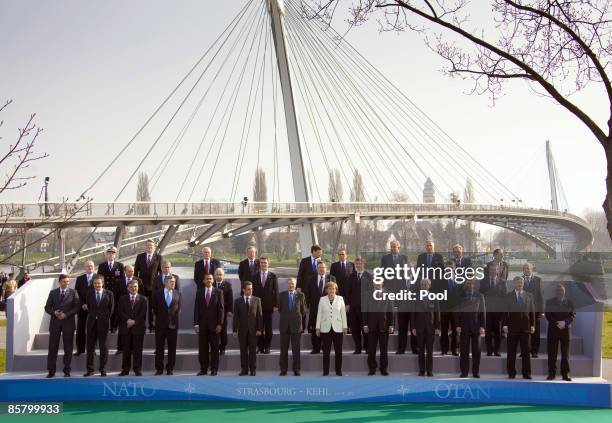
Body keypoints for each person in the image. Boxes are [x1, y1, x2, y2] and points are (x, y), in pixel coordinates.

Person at [381, 241, 415, 355]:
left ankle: (415, 348)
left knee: (413, 327)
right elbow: (382, 272)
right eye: (391, 247)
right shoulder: (385, 258)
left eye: (394, 247)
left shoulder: (413, 279)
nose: (393, 248)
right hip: (393, 290)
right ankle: (401, 348)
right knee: (402, 325)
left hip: (410, 303)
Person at [44, 274, 80, 378]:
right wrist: (54, 312)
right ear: (59, 282)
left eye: (68, 282)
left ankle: (67, 371)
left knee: (68, 348)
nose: (66, 283)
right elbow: (47, 307)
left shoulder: (74, 292)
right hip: (55, 323)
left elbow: (77, 307)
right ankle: (51, 371)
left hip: (68, 323)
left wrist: (66, 315)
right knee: (52, 348)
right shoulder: (53, 292)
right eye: (64, 281)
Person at [503, 276, 536, 379]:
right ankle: (511, 373)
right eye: (518, 282)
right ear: (514, 283)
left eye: (521, 282)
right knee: (511, 352)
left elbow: (532, 312)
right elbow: (505, 312)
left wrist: (533, 325)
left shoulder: (529, 295)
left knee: (526, 352)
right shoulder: (508, 296)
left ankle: (527, 373)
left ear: (523, 283)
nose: (520, 284)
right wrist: (504, 325)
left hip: (526, 328)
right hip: (512, 328)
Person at [315, 281, 348, 376]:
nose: (332, 290)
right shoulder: (322, 299)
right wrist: (317, 328)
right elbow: (319, 314)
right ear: (326, 290)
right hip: (325, 328)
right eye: (330, 288)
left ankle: (338, 371)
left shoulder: (340, 299)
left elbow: (343, 314)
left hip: (338, 328)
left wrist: (345, 327)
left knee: (339, 351)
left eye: (333, 288)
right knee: (326, 352)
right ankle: (326, 371)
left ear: (336, 290)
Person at [194, 274, 224, 376]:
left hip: (214, 326)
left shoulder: (219, 292)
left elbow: (221, 309)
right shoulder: (199, 292)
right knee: (203, 348)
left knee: (215, 348)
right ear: (203, 280)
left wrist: (220, 324)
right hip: (202, 326)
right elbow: (196, 309)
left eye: (210, 279)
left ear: (213, 280)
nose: (209, 280)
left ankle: (214, 369)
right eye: (207, 279)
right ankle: (203, 369)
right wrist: (196, 324)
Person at [84, 274, 114, 377]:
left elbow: (111, 309)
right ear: (93, 284)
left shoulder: (109, 294)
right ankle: (90, 370)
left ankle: (103, 369)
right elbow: (89, 307)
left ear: (103, 283)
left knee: (103, 347)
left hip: (104, 324)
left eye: (99, 283)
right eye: (95, 283)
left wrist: (103, 318)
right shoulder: (89, 294)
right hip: (91, 324)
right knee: (90, 348)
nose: (97, 285)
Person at [363, 279, 394, 376]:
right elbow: (365, 310)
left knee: (383, 349)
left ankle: (383, 368)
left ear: (382, 283)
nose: (377, 284)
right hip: (371, 325)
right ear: (373, 283)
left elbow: (391, 311)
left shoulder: (388, 294)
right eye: (375, 282)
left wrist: (391, 325)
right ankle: (372, 368)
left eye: (379, 282)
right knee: (371, 348)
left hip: (384, 325)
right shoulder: (368, 294)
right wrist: (365, 324)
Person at [152, 275, 181, 375]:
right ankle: (159, 369)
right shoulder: (157, 294)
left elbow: (178, 309)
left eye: (174, 281)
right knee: (159, 348)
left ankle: (170, 368)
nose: (173, 283)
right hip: (160, 325)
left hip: (173, 325)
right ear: (165, 283)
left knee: (172, 348)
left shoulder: (178, 293)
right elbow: (155, 309)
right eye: (171, 282)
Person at [481, 248, 508, 357]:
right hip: (487, 310)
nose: (492, 271)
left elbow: (504, 298)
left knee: (497, 332)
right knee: (488, 333)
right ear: (489, 271)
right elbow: (481, 295)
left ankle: (497, 350)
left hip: (498, 311)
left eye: (494, 270)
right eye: (491, 270)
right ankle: (489, 350)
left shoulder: (502, 282)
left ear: (497, 271)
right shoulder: (483, 281)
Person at [545, 284, 575, 381]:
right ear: (555, 292)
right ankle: (551, 374)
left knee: (565, 354)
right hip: (553, 330)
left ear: (564, 291)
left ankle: (565, 374)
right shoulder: (549, 302)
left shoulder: (570, 302)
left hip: (565, 331)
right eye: (558, 290)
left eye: (561, 290)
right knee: (552, 354)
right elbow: (548, 315)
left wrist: (564, 323)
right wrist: (557, 323)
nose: (559, 292)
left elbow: (572, 315)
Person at [457, 278, 486, 378]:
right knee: (463, 351)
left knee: (476, 352)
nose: (469, 285)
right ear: (465, 284)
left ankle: (475, 372)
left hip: (476, 327)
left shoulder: (480, 296)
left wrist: (482, 326)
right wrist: (457, 325)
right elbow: (457, 313)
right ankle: (464, 372)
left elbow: (483, 312)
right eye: (468, 283)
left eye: (471, 283)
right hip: (464, 326)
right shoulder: (460, 296)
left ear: (474, 285)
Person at [118, 280, 147, 376]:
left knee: (137, 350)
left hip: (138, 328)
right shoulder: (122, 299)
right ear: (128, 288)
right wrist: (128, 320)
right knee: (126, 350)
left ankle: (137, 369)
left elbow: (143, 313)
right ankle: (125, 369)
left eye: (135, 286)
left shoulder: (143, 299)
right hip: (126, 328)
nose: (133, 288)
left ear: (138, 287)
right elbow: (120, 312)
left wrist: (134, 321)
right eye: (131, 287)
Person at [412, 278, 441, 376]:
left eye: (426, 284)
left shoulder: (434, 297)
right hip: (419, 327)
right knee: (420, 350)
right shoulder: (416, 297)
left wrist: (437, 327)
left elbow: (437, 313)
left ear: (429, 286)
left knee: (429, 351)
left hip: (431, 328)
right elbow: (413, 314)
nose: (424, 286)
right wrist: (413, 327)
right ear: (421, 286)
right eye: (423, 284)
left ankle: (429, 370)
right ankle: (421, 370)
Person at [232, 281, 263, 376]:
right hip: (242, 331)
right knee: (243, 351)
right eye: (248, 289)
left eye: (251, 289)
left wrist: (259, 329)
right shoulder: (237, 301)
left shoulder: (257, 300)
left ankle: (253, 369)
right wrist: (234, 330)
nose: (251, 291)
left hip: (253, 331)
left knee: (253, 351)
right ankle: (244, 369)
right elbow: (235, 317)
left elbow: (259, 316)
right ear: (243, 290)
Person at [277, 278, 306, 376]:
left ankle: (296, 369)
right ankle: (283, 370)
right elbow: (280, 309)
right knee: (283, 350)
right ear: (287, 285)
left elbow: (303, 311)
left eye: (292, 284)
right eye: (289, 284)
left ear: (295, 285)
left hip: (296, 326)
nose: (291, 285)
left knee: (296, 350)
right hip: (284, 326)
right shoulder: (281, 295)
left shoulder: (301, 295)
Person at [114, 264, 145, 355]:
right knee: (122, 330)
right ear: (125, 271)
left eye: (132, 271)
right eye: (129, 271)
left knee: (135, 331)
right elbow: (116, 296)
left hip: (135, 311)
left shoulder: (139, 281)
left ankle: (132, 348)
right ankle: (120, 348)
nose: (131, 273)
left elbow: (142, 294)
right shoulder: (119, 281)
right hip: (123, 310)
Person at [134, 239, 162, 332]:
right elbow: (135, 272)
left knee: (152, 308)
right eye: (148, 246)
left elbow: (161, 274)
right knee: (140, 307)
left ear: (154, 247)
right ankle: (140, 325)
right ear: (145, 247)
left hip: (154, 287)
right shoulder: (140, 257)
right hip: (141, 287)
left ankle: (152, 326)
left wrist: (159, 286)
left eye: (151, 246)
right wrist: (136, 284)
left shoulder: (159, 257)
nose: (149, 247)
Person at [96, 246, 124, 339]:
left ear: (115, 255)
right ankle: (105, 326)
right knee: (105, 308)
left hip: (116, 291)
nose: (111, 254)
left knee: (115, 309)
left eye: (113, 253)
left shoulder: (119, 265)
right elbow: (99, 278)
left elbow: (122, 280)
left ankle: (114, 327)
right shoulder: (102, 265)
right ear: (106, 254)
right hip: (105, 291)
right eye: (109, 253)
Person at [252, 256, 278, 354]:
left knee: (268, 328)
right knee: (259, 328)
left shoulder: (273, 276)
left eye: (265, 263)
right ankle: (260, 347)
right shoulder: (254, 276)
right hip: (257, 307)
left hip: (269, 306)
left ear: (268, 264)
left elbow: (276, 290)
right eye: (262, 263)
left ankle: (267, 347)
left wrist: (276, 304)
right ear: (259, 264)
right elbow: (253, 292)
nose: (263, 264)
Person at [306, 261, 333, 354]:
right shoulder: (311, 279)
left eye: (323, 267)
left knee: (326, 328)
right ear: (317, 269)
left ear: (326, 269)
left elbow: (336, 293)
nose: (322, 269)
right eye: (320, 267)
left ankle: (325, 347)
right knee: (315, 328)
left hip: (328, 308)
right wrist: (307, 305)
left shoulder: (331, 278)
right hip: (314, 308)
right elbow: (307, 293)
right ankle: (316, 348)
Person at [345, 256, 369, 354]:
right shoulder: (351, 276)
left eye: (360, 263)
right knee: (355, 329)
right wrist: (347, 304)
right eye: (356, 264)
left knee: (365, 329)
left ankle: (367, 347)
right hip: (353, 307)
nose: (358, 265)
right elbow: (348, 292)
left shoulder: (368, 276)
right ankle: (358, 348)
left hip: (365, 308)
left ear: (363, 264)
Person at [74, 261, 96, 355]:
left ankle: (92, 349)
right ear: (85, 268)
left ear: (94, 267)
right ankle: (80, 349)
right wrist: (83, 303)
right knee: (80, 329)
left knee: (93, 329)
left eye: (91, 266)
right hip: (82, 307)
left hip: (94, 307)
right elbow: (76, 293)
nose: (90, 267)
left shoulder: (98, 277)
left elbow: (101, 292)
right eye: (88, 266)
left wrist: (90, 304)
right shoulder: (79, 278)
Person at [523, 263, 544, 357]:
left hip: (535, 310)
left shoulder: (538, 280)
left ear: (532, 270)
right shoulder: (520, 280)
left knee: (536, 332)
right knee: (524, 332)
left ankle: (534, 351)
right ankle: (525, 351)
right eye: (525, 269)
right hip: (524, 311)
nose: (526, 270)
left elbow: (541, 296)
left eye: (528, 268)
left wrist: (542, 312)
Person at [440, 260, 459, 356]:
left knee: (455, 330)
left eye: (450, 268)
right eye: (447, 268)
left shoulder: (459, 280)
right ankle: (444, 349)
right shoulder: (440, 280)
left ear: (453, 269)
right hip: (444, 309)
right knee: (444, 330)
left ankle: (454, 349)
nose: (448, 270)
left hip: (455, 309)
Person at [213, 268, 233, 354]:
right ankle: (215, 346)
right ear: (214, 275)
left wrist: (230, 311)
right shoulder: (211, 283)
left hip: (223, 312)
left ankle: (223, 347)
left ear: (223, 276)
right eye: (217, 274)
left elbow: (230, 299)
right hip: (212, 312)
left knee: (223, 330)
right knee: (214, 330)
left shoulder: (228, 285)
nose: (219, 276)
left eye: (220, 274)